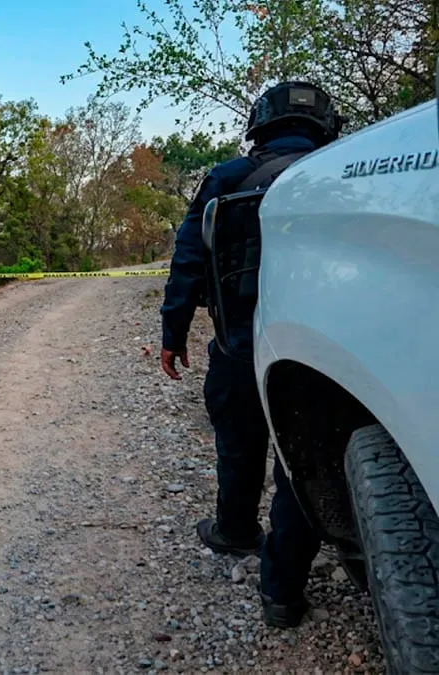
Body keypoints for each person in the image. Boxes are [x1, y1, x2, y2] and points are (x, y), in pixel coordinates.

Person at [158, 82, 344, 627]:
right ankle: (282, 592)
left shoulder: (227, 177)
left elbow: (189, 259)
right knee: (302, 463)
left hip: (238, 344)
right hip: (321, 355)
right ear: (325, 127)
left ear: (260, 124)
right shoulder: (345, 174)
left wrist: (174, 332)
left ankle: (235, 531)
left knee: (239, 444)